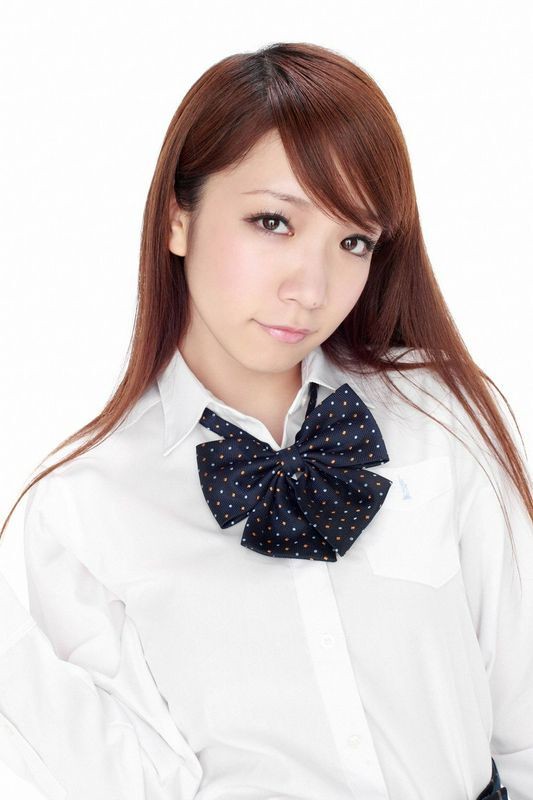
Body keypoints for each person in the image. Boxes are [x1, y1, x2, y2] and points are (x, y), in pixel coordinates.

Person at [0, 41, 530, 800]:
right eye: (273, 222)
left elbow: (523, 715)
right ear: (177, 219)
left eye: (352, 241)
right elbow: (133, 782)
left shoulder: (438, 413)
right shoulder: (83, 504)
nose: (311, 288)